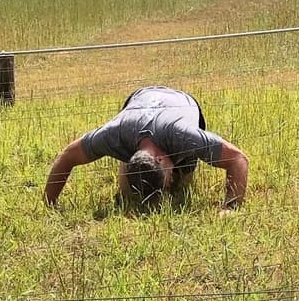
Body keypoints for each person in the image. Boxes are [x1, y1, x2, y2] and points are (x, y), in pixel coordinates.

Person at [44, 86, 249, 212]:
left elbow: (238, 159)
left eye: (165, 179)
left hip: (182, 102)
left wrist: (230, 208)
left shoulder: (185, 136)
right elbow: (68, 156)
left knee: (181, 187)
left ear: (162, 159)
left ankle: (181, 171)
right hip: (139, 99)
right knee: (128, 195)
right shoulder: (115, 135)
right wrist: (49, 204)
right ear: (128, 155)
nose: (166, 183)